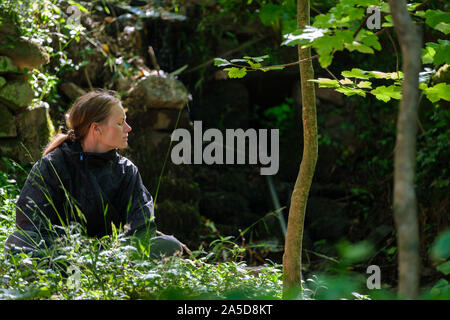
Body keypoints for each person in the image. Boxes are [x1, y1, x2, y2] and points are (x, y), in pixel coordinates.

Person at [4, 89, 183, 259]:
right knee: (19, 241)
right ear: (96, 129)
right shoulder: (53, 164)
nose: (128, 128)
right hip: (62, 251)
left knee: (170, 245)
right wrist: (70, 247)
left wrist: (111, 251)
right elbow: (29, 221)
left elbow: (142, 228)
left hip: (112, 255)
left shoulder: (126, 170)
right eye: (120, 123)